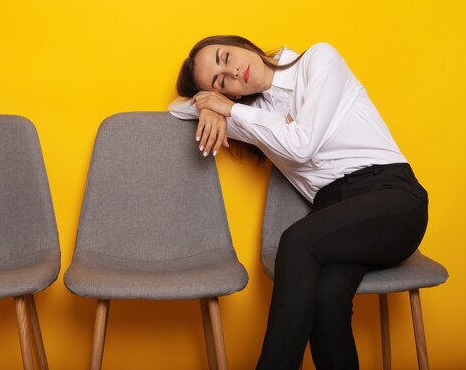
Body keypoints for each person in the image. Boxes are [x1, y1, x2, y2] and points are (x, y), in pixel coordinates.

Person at [169, 35, 428, 370]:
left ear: (242, 44)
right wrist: (207, 105)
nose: (232, 72)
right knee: (326, 296)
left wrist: (228, 109)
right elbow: (175, 107)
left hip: (393, 200)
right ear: (226, 91)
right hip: (341, 221)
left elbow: (301, 145)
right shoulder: (253, 115)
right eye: (220, 81)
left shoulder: (318, 60)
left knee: (296, 241)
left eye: (226, 56)